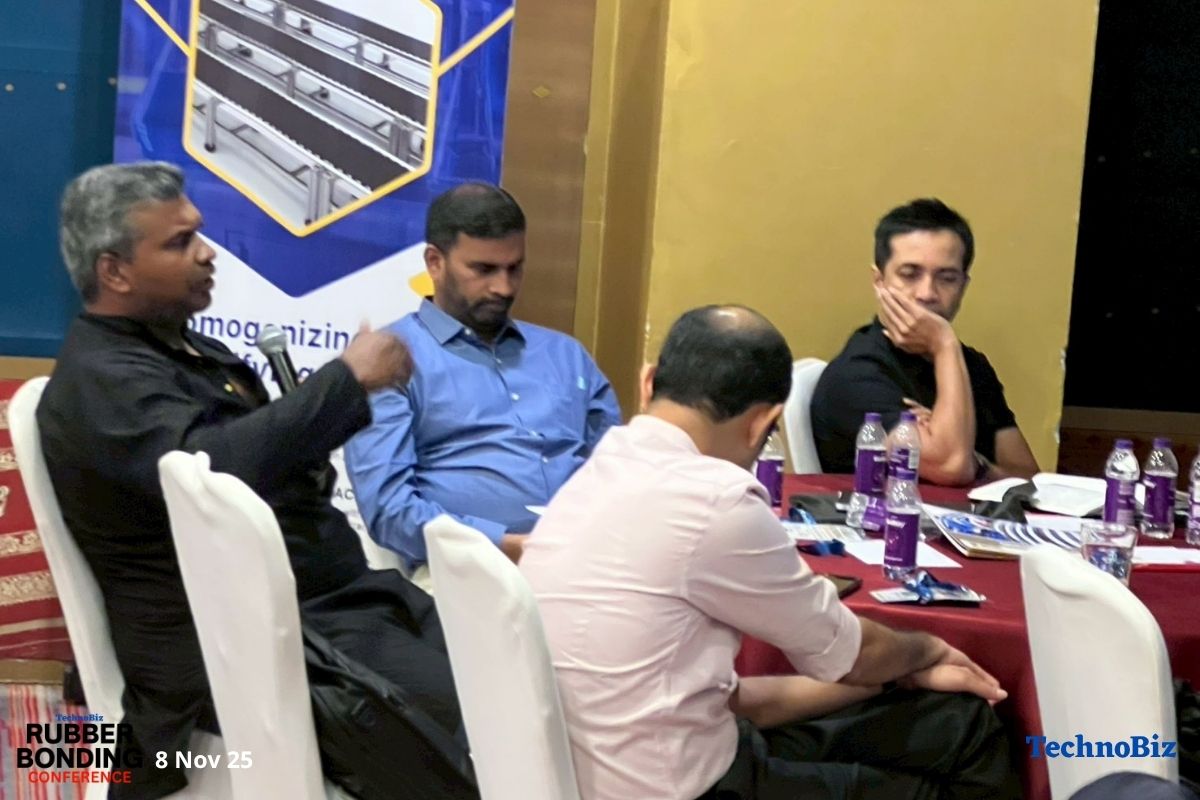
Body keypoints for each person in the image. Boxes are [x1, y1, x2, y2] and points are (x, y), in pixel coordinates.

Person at [38, 162, 462, 799]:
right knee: (486, 717)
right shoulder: (102, 379)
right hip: (242, 647)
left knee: (515, 665)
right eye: (180, 242)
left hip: (328, 605)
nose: (207, 253)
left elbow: (267, 461)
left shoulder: (188, 350)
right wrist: (347, 380)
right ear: (115, 272)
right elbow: (210, 475)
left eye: (199, 233)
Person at [520, 305, 1019, 800]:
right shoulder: (717, 500)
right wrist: (927, 649)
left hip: (616, 765)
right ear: (765, 423)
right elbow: (854, 656)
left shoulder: (594, 474)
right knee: (964, 731)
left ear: (648, 383)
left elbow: (730, 699)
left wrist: (892, 679)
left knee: (937, 722)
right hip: (688, 784)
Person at [345, 183, 620, 577]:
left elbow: (618, 476)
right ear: (435, 262)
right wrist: (505, 545)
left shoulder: (567, 356)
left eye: (515, 268)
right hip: (463, 573)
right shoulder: (388, 360)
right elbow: (389, 509)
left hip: (584, 568)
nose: (503, 288)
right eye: (484, 270)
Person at [811, 198, 1039, 485]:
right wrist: (943, 344)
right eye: (910, 275)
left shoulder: (970, 365)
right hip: (888, 514)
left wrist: (978, 463)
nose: (927, 293)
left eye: (947, 278)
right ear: (879, 281)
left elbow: (1029, 479)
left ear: (963, 286)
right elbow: (952, 466)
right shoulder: (858, 373)